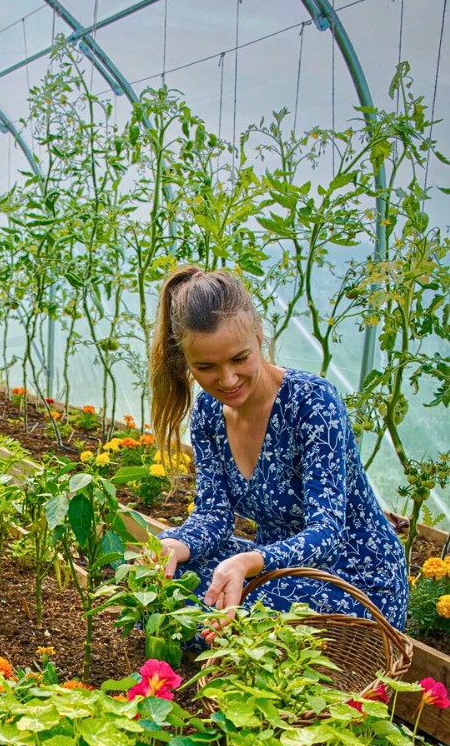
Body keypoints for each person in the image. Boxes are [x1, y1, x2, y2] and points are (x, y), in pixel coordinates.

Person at [149, 265, 408, 637]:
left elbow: (327, 531)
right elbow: (213, 516)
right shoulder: (208, 412)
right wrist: (178, 544)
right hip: (273, 570)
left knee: (238, 615)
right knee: (159, 571)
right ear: (185, 360)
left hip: (354, 579)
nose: (227, 380)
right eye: (205, 367)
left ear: (258, 335)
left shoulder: (312, 403)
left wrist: (248, 562)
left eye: (239, 359)